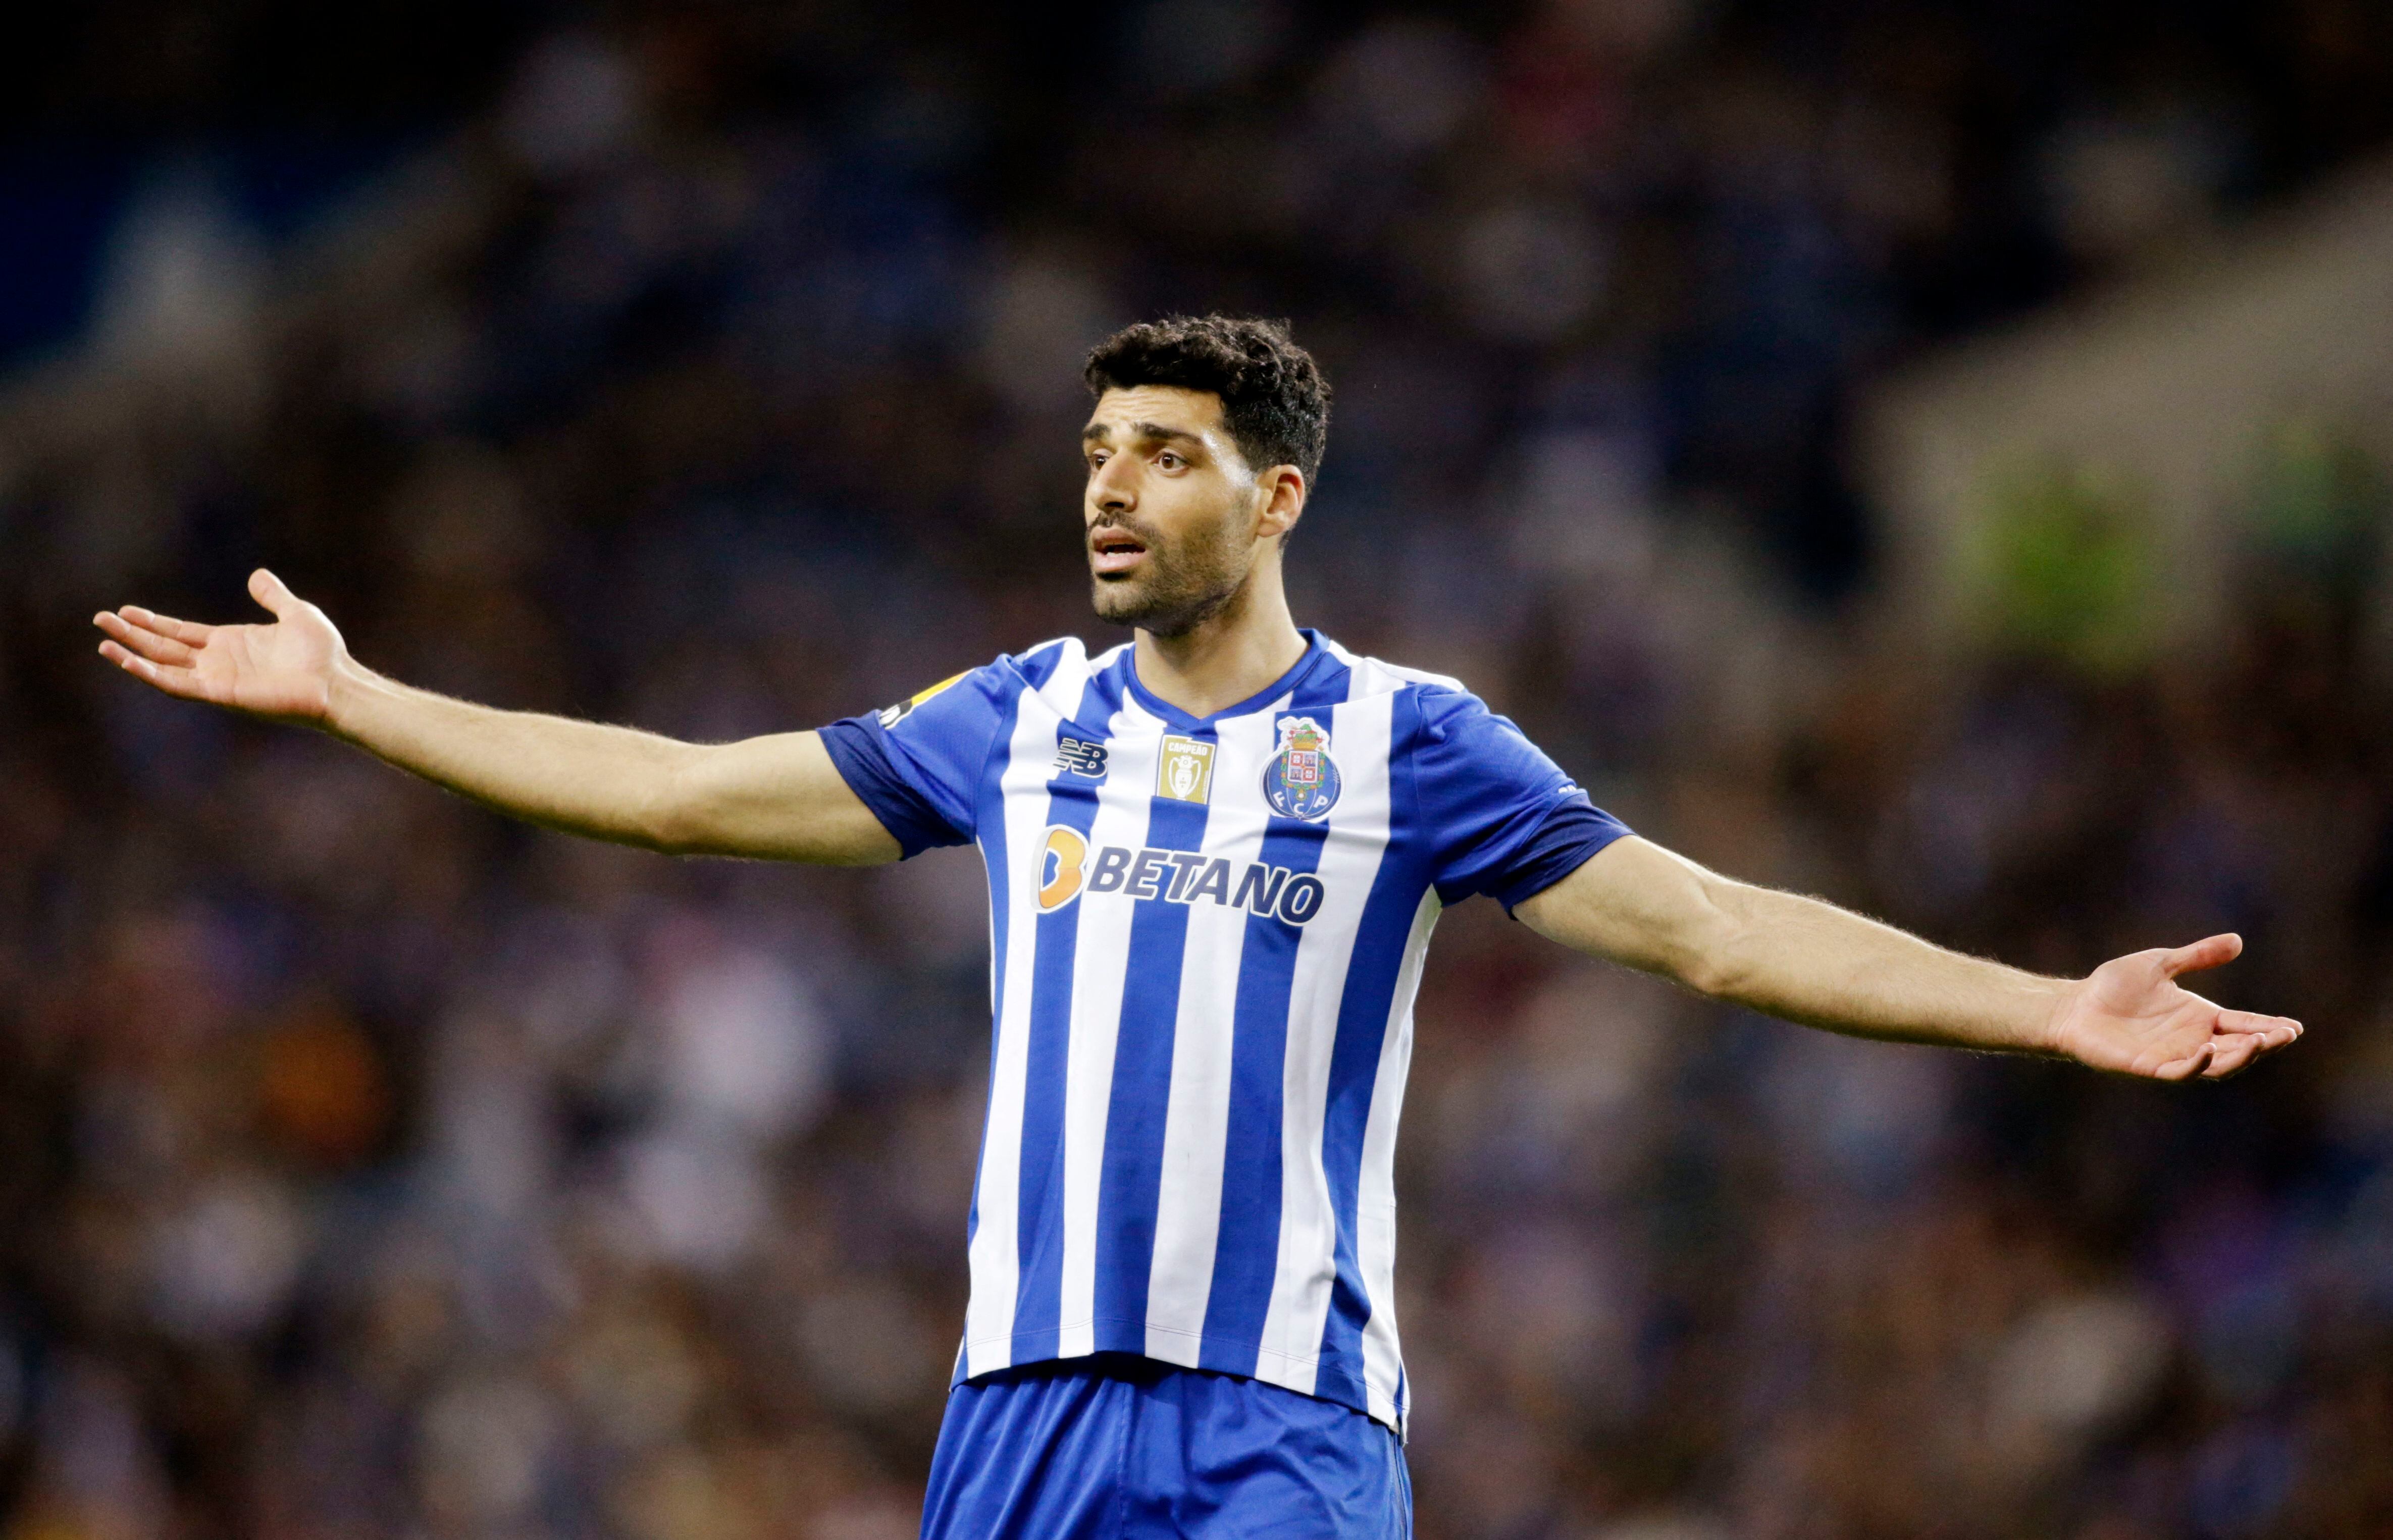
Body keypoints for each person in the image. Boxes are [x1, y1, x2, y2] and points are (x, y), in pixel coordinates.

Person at [94, 314, 2303, 1539]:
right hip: (1020, 1418)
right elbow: (673, 794)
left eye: (1158, 451)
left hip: (1284, 1424)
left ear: (1278, 492)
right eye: (1091, 453)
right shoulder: (1014, 719)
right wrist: (361, 698)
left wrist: (2045, 1009)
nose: (1104, 487)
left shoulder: (1420, 746)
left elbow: (1717, 931)